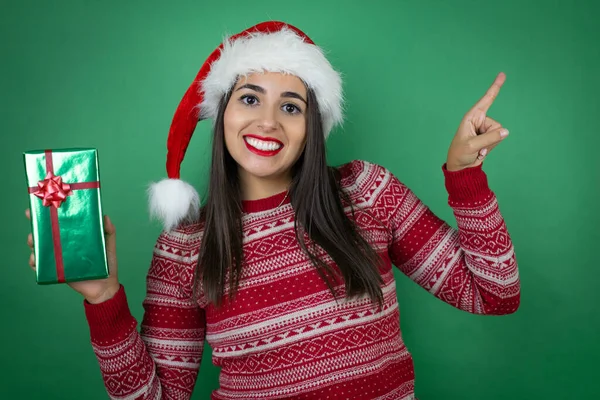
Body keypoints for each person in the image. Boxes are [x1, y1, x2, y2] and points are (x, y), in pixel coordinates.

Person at [25, 21, 520, 400]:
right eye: (248, 99)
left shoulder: (366, 191)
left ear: (312, 127)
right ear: (222, 115)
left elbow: (494, 294)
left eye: (290, 107)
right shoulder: (183, 250)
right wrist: (104, 297)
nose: (268, 122)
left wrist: (463, 174)